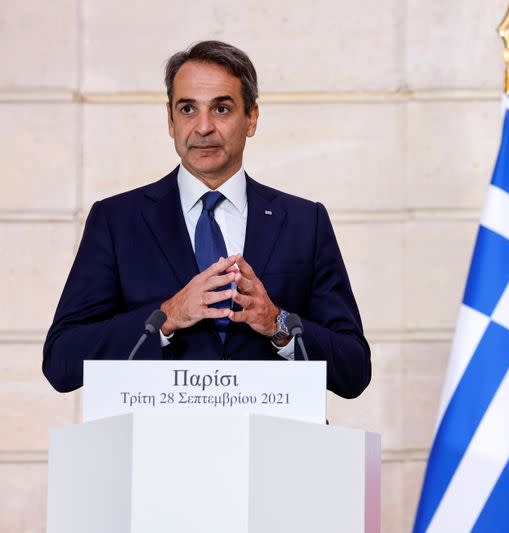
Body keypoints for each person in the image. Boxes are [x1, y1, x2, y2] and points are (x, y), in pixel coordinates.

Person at [42, 40, 371, 399]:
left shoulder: (305, 222)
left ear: (252, 118)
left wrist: (277, 323)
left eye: (222, 109)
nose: (202, 127)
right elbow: (62, 360)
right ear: (170, 120)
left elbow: (353, 371)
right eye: (187, 109)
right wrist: (166, 316)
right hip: (157, 448)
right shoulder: (117, 220)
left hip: (274, 449)